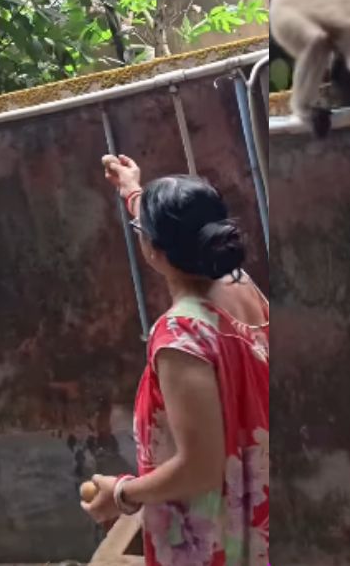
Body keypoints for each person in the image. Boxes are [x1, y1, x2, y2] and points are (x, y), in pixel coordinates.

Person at [81, 154, 270, 565]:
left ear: (153, 250)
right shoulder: (242, 286)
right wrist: (132, 190)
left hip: (212, 537)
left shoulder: (180, 335)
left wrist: (122, 494)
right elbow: (177, 228)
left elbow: (200, 468)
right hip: (257, 511)